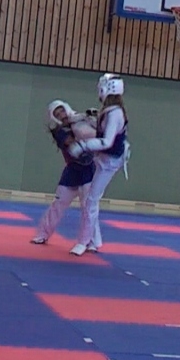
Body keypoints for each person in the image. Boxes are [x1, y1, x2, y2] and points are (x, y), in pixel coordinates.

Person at [67, 73, 130, 256]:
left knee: (91, 200)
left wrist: (82, 146)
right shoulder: (110, 110)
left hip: (109, 161)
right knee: (90, 199)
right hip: (104, 158)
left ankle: (84, 241)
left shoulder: (115, 113)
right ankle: (94, 241)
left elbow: (107, 141)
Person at [31, 100, 97, 245]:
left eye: (62, 111)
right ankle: (43, 234)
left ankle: (92, 241)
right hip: (71, 171)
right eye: (57, 114)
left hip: (88, 170)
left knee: (88, 208)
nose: (61, 115)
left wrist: (90, 120)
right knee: (58, 204)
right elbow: (72, 143)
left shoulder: (81, 121)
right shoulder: (59, 131)